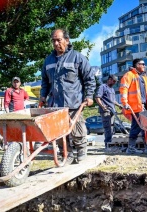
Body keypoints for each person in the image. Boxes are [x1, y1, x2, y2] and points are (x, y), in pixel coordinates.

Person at [39, 28, 95, 164]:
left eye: (59, 40)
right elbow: (45, 82)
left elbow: (89, 79)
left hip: (74, 102)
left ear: (67, 40)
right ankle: (67, 153)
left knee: (77, 130)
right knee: (58, 132)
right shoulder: (48, 61)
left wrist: (89, 96)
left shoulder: (78, 57)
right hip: (55, 104)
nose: (56, 43)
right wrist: (42, 96)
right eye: (54, 41)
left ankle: (81, 150)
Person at [119, 58, 147, 154]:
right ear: (137, 65)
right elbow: (123, 89)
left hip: (145, 106)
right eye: (142, 64)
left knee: (146, 127)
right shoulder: (129, 75)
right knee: (137, 127)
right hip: (136, 106)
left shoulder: (144, 77)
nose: (144, 65)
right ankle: (133, 148)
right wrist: (125, 103)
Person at [95, 74, 122, 150]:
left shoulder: (112, 89)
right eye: (113, 81)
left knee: (112, 128)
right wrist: (103, 106)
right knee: (107, 128)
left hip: (112, 110)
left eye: (115, 82)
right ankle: (107, 144)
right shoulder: (102, 87)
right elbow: (97, 98)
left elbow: (113, 100)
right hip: (105, 111)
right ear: (109, 79)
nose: (114, 83)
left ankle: (111, 143)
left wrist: (119, 105)